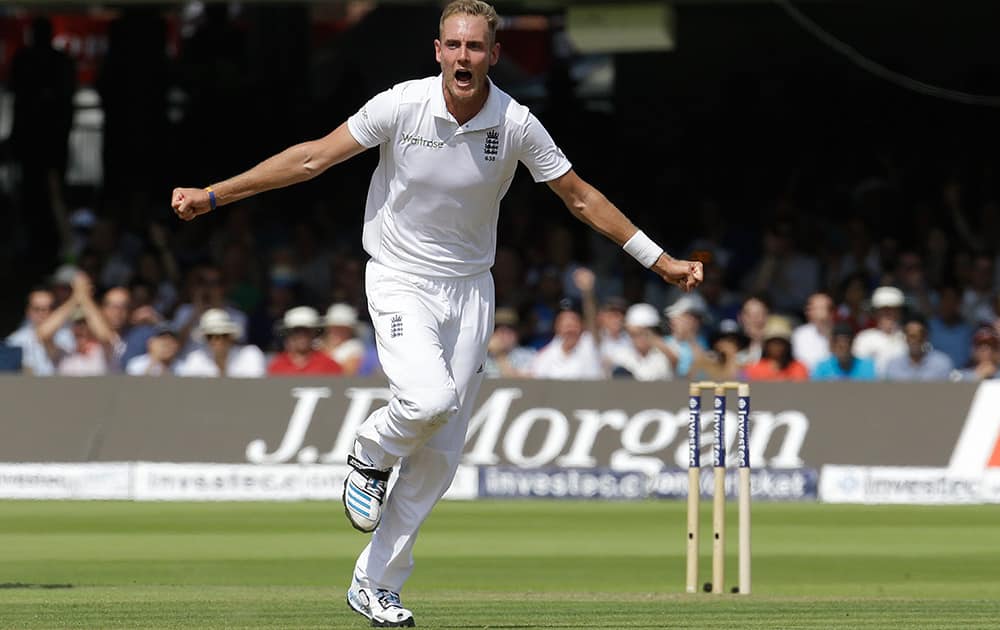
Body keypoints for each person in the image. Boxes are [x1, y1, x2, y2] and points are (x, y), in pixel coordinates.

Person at [169, 2, 703, 625]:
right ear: (437, 50)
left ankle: (376, 583)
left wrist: (657, 258)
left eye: (476, 47)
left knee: (441, 457)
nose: (464, 57)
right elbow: (313, 158)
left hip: (472, 291)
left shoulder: (517, 122)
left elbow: (579, 197)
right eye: (454, 45)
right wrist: (215, 195)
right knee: (426, 401)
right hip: (399, 279)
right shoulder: (400, 105)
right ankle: (370, 451)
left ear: (493, 56)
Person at [174, 308, 266, 378]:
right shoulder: (195, 359)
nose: (216, 341)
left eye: (223, 335)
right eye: (210, 336)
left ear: (231, 336)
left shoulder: (250, 354)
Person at [5, 288, 75, 375]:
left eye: (49, 308)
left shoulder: (67, 334)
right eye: (37, 309)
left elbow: (44, 334)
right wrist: (75, 298)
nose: (42, 313)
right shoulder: (15, 340)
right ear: (28, 311)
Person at [267, 306, 343, 376]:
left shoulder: (329, 365)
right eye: (297, 331)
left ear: (314, 333)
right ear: (289, 333)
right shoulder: (276, 366)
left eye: (307, 331)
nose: (302, 335)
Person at [607, 303, 673, 381]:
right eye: (632, 334)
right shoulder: (620, 355)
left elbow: (688, 387)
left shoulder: (663, 356)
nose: (638, 338)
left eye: (642, 332)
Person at [852, 285, 907, 377]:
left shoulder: (908, 337)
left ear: (899, 312)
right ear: (875, 313)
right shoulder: (863, 338)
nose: (888, 314)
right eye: (883, 310)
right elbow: (859, 372)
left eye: (892, 310)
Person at [884, 315, 953, 381]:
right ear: (905, 337)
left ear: (926, 336)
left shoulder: (942, 363)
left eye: (920, 336)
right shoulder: (893, 365)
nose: (916, 340)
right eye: (912, 336)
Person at [744, 315, 809, 381]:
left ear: (787, 345)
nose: (777, 346)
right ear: (766, 345)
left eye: (781, 342)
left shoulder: (798, 368)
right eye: (773, 342)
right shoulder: (754, 369)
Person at [811, 322, 877, 381]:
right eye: (839, 346)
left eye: (846, 344)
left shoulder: (867, 366)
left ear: (852, 344)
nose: (843, 350)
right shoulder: (822, 368)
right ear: (832, 345)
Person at [483, 306, 535, 377]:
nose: (502, 333)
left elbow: (528, 384)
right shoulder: (481, 357)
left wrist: (500, 356)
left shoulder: (529, 356)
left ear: (518, 332)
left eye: (509, 328)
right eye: (497, 327)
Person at [791, 292, 834, 371]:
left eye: (822, 308)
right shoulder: (799, 334)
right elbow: (801, 363)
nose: (820, 312)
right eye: (813, 308)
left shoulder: (839, 333)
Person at [321, 303, 367, 376]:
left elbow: (348, 373)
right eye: (334, 327)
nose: (337, 331)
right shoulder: (317, 343)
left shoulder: (354, 347)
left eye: (342, 328)